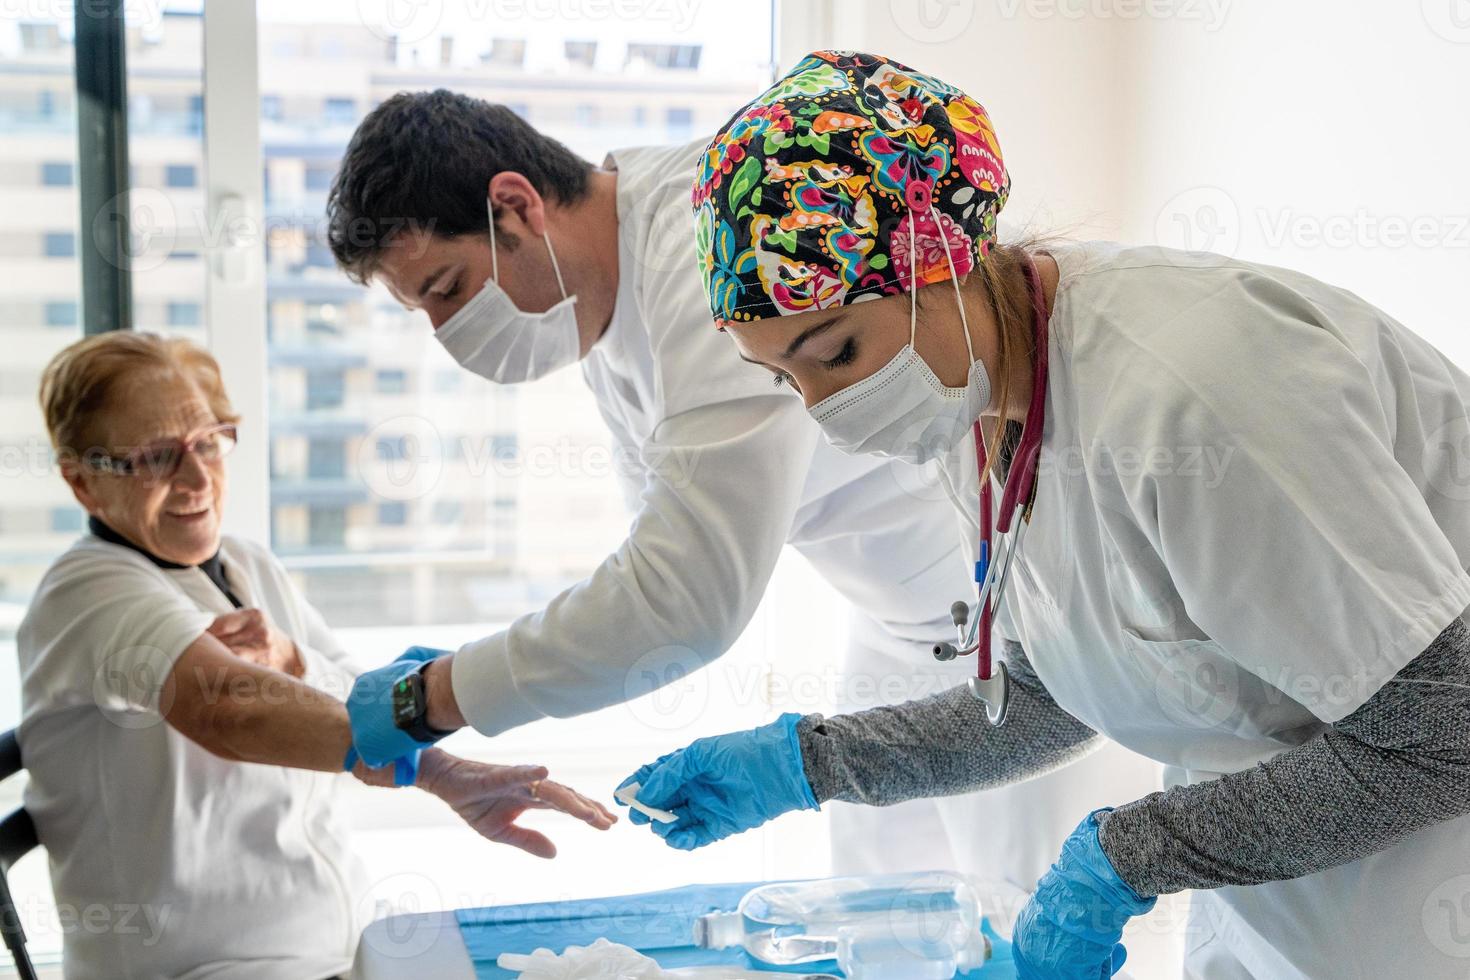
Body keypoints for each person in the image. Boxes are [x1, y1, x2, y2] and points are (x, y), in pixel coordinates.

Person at [616, 50, 1470, 980]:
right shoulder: (974, 398)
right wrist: (811, 763)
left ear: (941, 257)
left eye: (836, 351)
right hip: (1283, 863)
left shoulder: (1197, 391)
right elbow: (1058, 691)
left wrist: (1125, 858)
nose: (825, 410)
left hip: (1433, 867)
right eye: (785, 377)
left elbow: (1441, 732)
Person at [324, 89, 1157, 889]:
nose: (447, 334)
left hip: (1024, 631)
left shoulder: (707, 249)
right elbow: (655, 558)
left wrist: (434, 695)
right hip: (902, 622)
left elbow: (683, 597)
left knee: (1013, 918)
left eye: (446, 290)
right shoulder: (606, 312)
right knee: (878, 914)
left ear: (516, 208)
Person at [19, 332, 614, 980]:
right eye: (158, 457)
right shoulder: (89, 591)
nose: (197, 478)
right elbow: (228, 710)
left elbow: (351, 688)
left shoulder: (247, 563)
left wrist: (436, 768)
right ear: (82, 482)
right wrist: (427, 736)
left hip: (335, 951)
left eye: (209, 441)